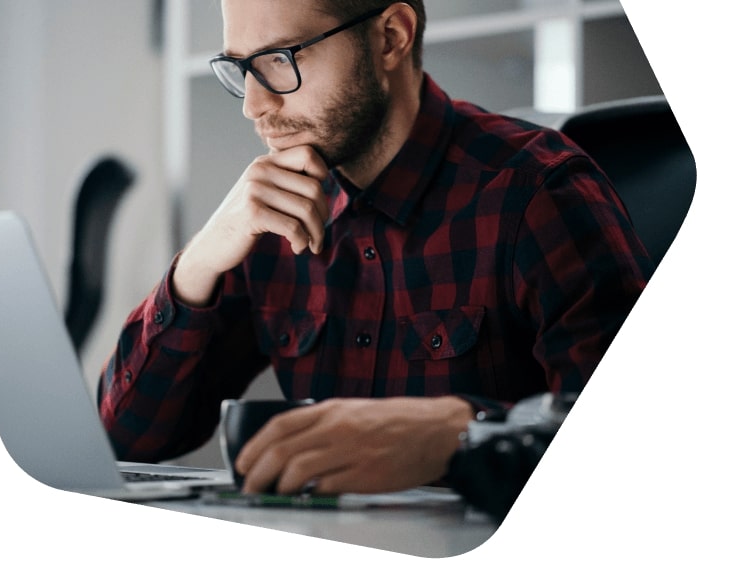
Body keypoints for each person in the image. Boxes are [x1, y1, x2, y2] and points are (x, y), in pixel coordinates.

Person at [97, 0, 652, 502]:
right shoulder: (270, 219)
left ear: (390, 38)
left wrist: (461, 434)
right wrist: (200, 262)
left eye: (278, 60)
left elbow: (642, 443)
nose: (254, 106)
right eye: (241, 68)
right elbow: (128, 438)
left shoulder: (538, 192)